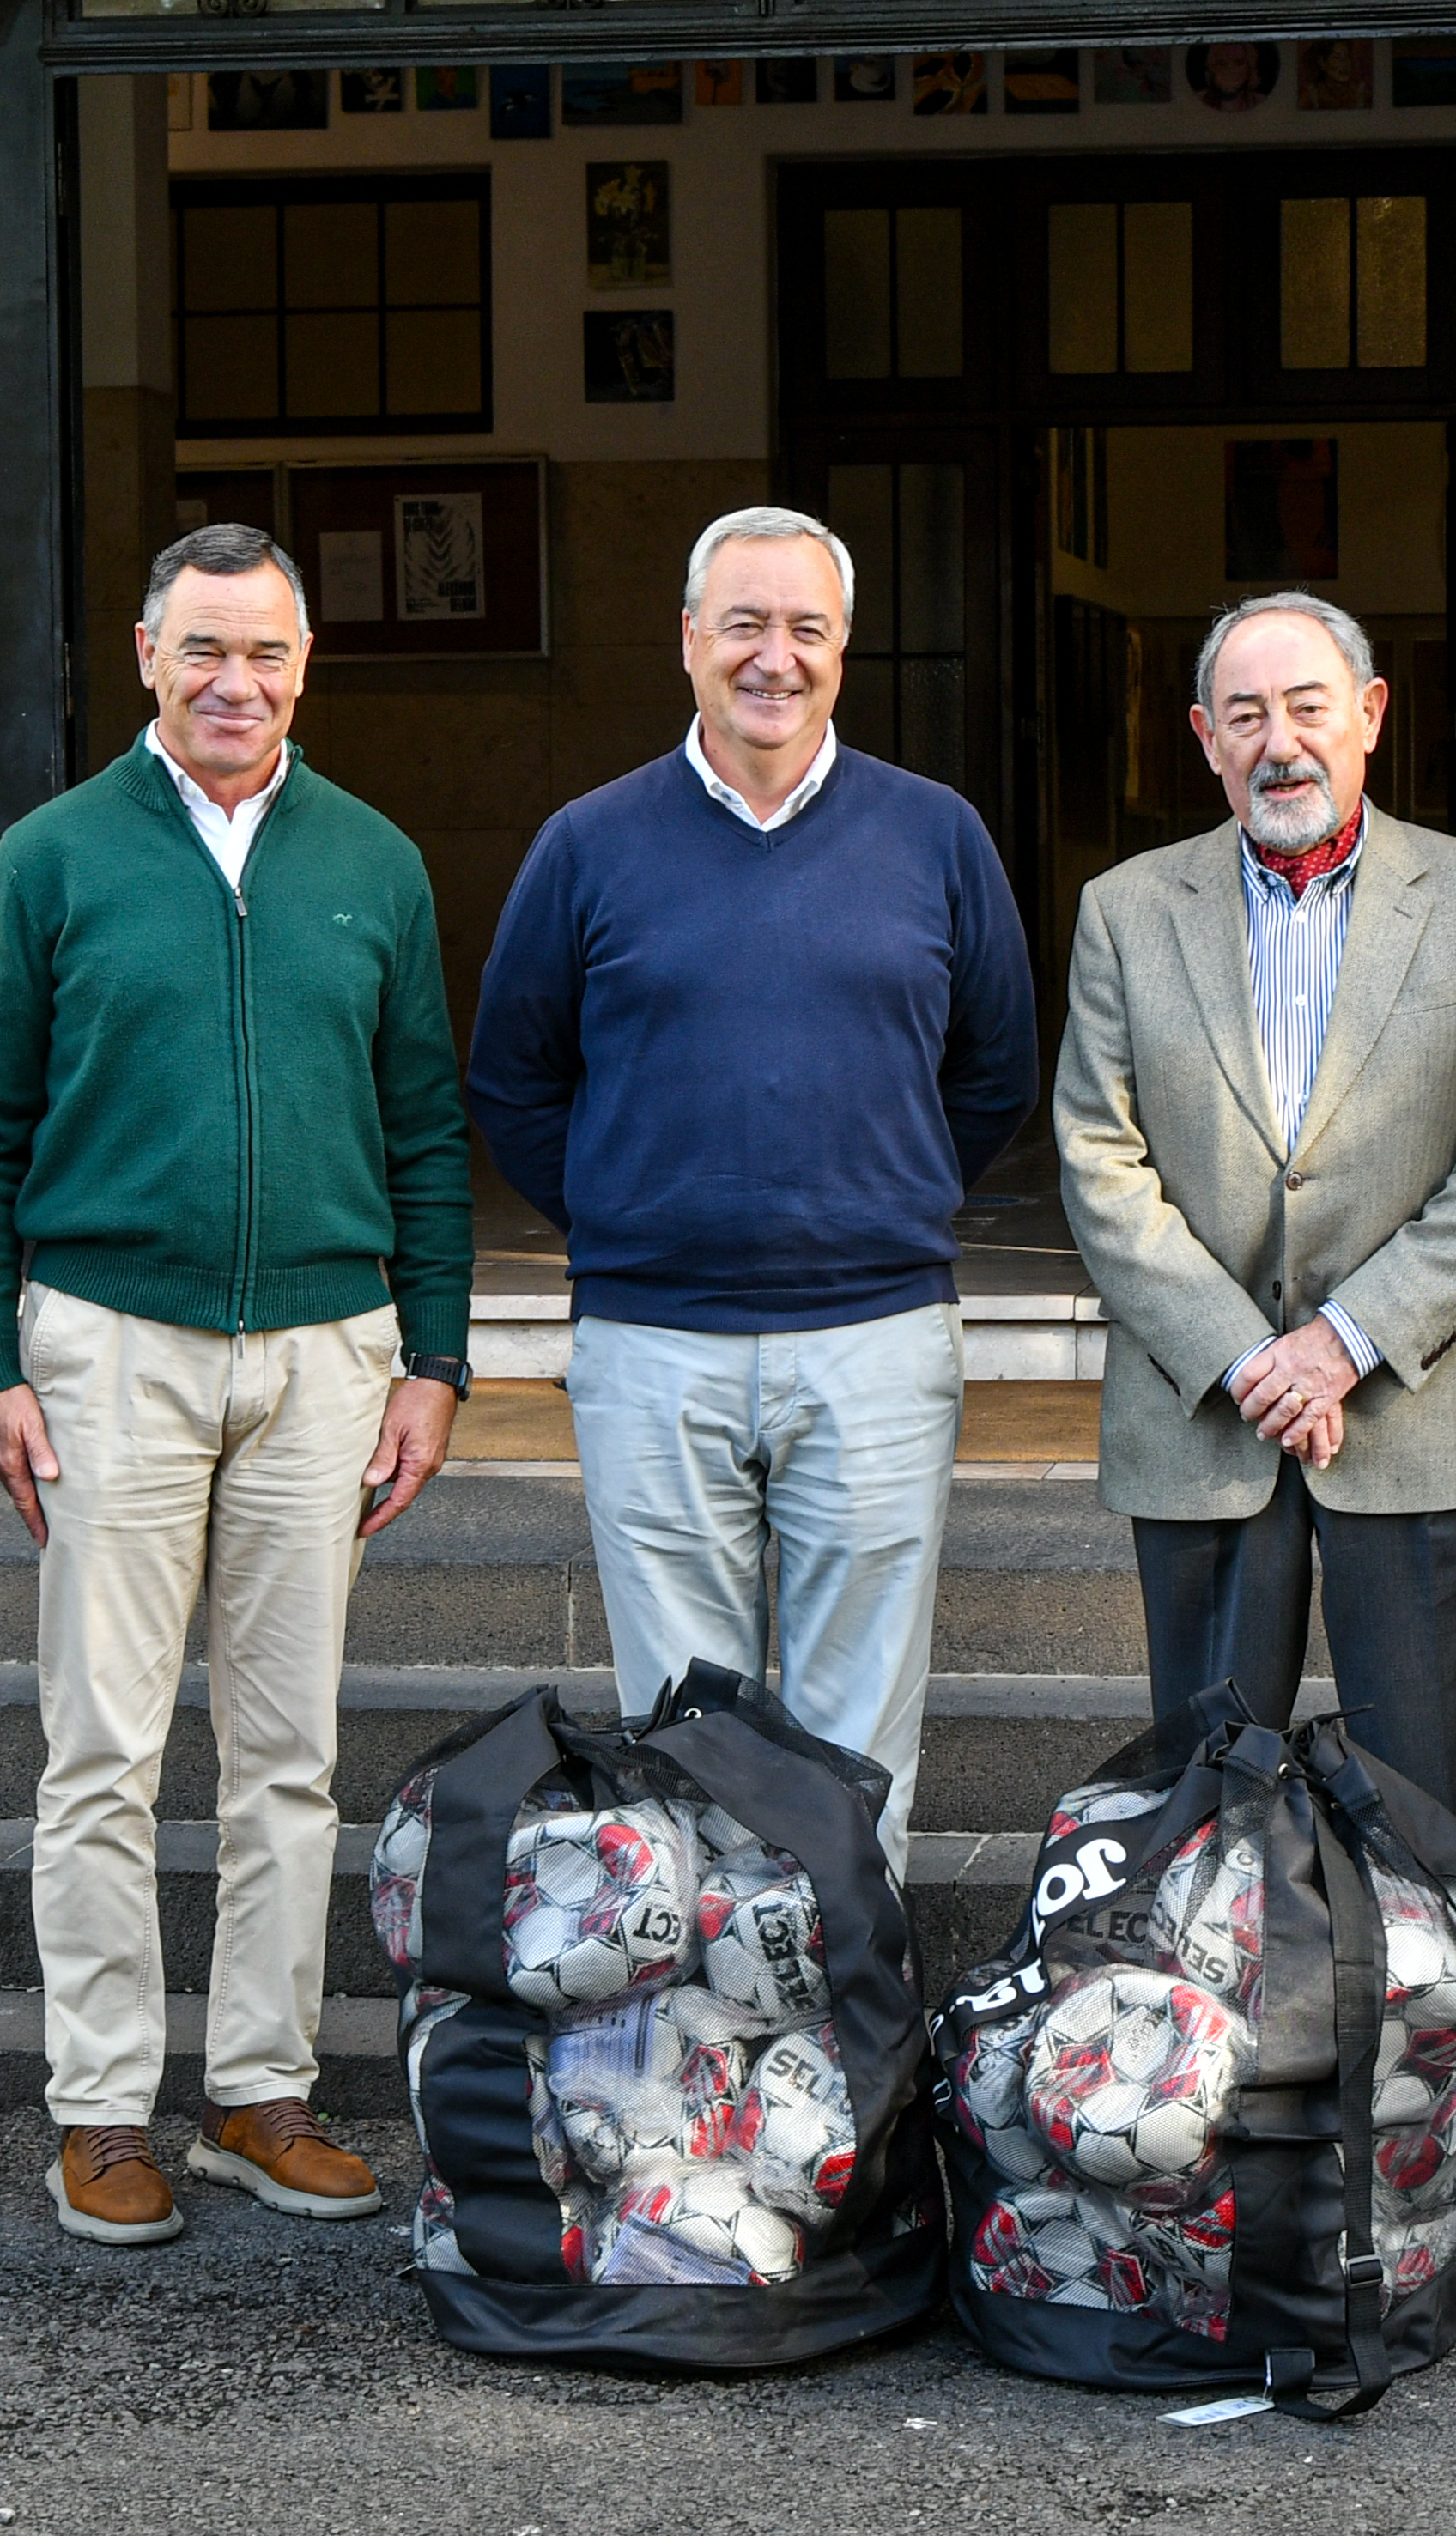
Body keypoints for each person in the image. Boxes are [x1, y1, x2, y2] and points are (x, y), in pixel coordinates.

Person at [0, 523, 474, 2248]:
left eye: (265, 655)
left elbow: (427, 1130)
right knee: (98, 1748)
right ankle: (98, 2109)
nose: (234, 683)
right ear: (146, 659)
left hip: (326, 1353)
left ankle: (258, 2090)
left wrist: (436, 1354)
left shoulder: (373, 862)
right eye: (201, 652)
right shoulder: (55, 857)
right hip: (108, 1342)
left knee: (286, 1752)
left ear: (305, 668)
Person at [468, 505, 1037, 1870]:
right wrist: (634, 1212)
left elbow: (996, 1069)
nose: (771, 657)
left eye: (803, 628)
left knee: (860, 1732)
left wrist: (869, 1196)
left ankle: (847, 2030)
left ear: (844, 651)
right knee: (678, 1729)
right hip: (652, 1347)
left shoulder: (936, 834)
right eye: (742, 623)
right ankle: (704, 2049)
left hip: (876, 1344)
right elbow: (512, 1078)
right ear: (686, 641)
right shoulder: (587, 843)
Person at [1052, 593, 1456, 1863]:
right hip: (1202, 1418)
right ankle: (1203, 2050)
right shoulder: (1123, 911)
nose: (1280, 741)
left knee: (1430, 1794)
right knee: (1203, 1793)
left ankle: (1439, 2059)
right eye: (1245, 714)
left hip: (1415, 1409)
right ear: (1203, 739)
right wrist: (1243, 1352)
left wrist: (1341, 1340)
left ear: (1370, 716)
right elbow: (1096, 1157)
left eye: (1308, 706)